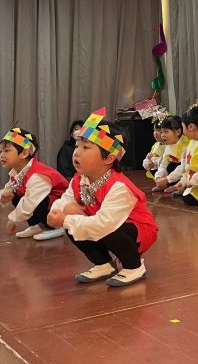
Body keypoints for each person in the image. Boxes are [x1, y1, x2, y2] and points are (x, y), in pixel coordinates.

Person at [48, 108, 158, 287]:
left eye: (85, 147)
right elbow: (65, 200)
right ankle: (103, 264)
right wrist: (57, 212)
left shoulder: (118, 187)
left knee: (106, 228)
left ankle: (134, 266)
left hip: (134, 230)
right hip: (103, 224)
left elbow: (104, 224)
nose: (76, 152)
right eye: (77, 146)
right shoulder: (79, 179)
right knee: (71, 219)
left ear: (109, 158)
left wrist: (67, 219)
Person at [0, 126, 68, 240]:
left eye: (7, 151)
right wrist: (3, 197)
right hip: (45, 203)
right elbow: (7, 188)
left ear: (24, 153)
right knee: (15, 195)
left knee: (35, 200)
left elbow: (30, 203)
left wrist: (13, 220)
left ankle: (55, 226)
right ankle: (37, 225)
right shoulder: (16, 172)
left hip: (61, 208)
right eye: (1, 151)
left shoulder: (37, 175)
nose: (1, 155)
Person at [152, 114, 188, 195]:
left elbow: (184, 168)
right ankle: (166, 185)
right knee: (167, 165)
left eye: (166, 131)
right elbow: (163, 164)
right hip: (173, 176)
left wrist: (167, 179)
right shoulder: (168, 146)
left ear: (178, 132)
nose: (162, 135)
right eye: (161, 132)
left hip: (185, 177)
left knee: (175, 165)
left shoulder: (184, 145)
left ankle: (179, 186)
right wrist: (158, 177)